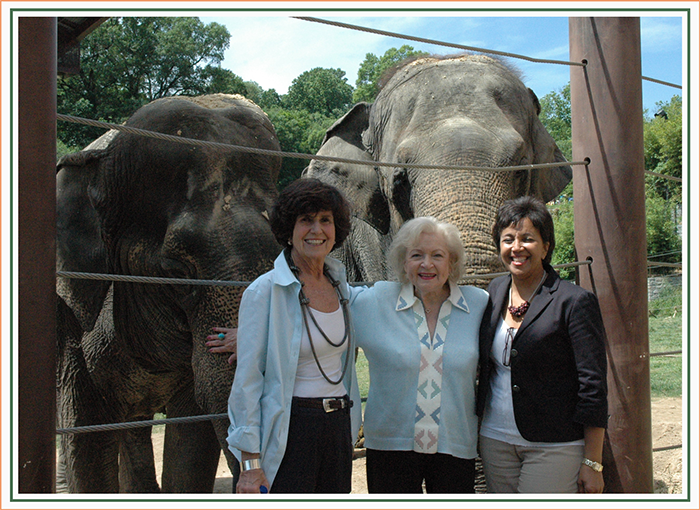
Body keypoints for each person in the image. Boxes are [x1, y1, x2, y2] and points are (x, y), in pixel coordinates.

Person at [225, 178, 361, 494]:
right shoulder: (264, 292)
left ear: (336, 228)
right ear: (289, 228)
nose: (317, 230)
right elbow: (247, 383)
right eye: (306, 220)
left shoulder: (342, 288)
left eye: (325, 220)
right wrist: (249, 467)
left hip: (339, 425)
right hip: (291, 428)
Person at [476, 196, 608, 494]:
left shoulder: (573, 301)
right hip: (495, 439)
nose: (516, 248)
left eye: (528, 239)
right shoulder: (495, 291)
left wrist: (593, 461)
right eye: (508, 239)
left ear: (546, 246)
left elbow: (593, 384)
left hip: (555, 444)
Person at [349, 216, 488, 493]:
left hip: (455, 444)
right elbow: (319, 312)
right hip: (390, 446)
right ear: (403, 261)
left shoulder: (479, 304)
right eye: (416, 255)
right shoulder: (375, 301)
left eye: (438, 255)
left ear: (453, 262)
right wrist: (254, 333)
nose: (427, 264)